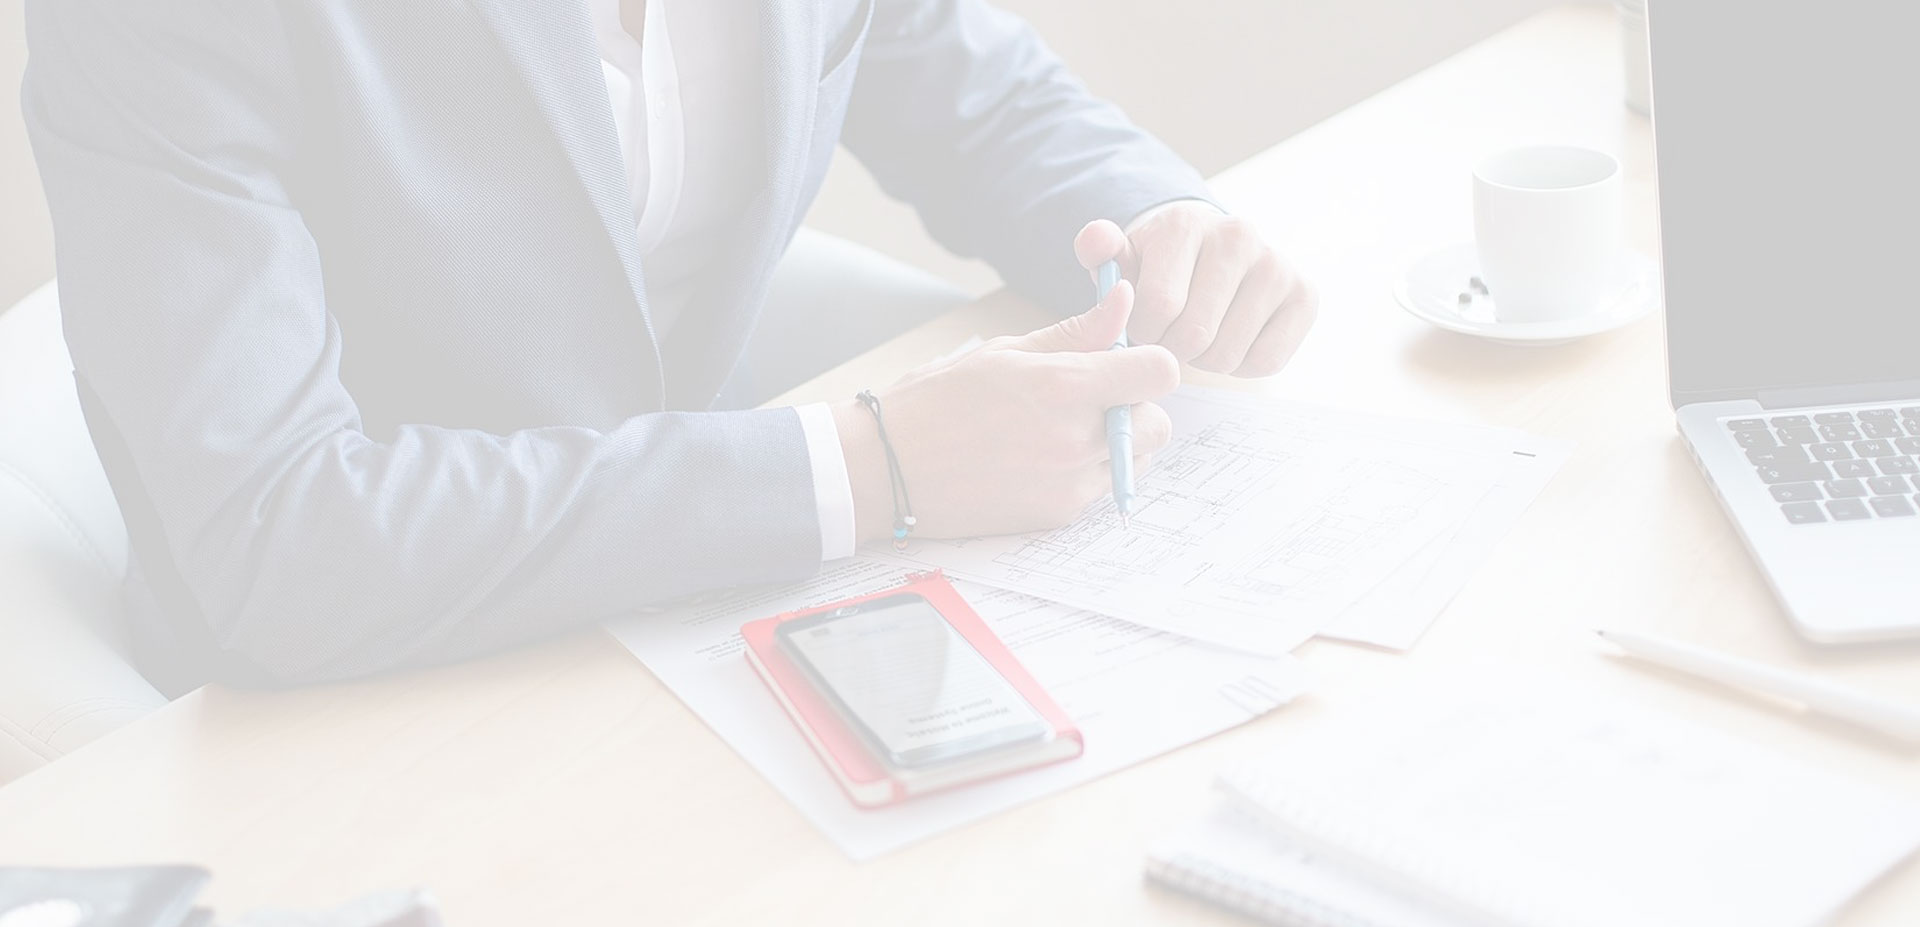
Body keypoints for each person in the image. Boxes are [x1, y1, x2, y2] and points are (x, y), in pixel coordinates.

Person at [23, 0, 1316, 692]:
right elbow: (280, 541)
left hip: (723, 621)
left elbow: (975, 90)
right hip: (361, 710)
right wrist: (867, 468)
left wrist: (1158, 218)